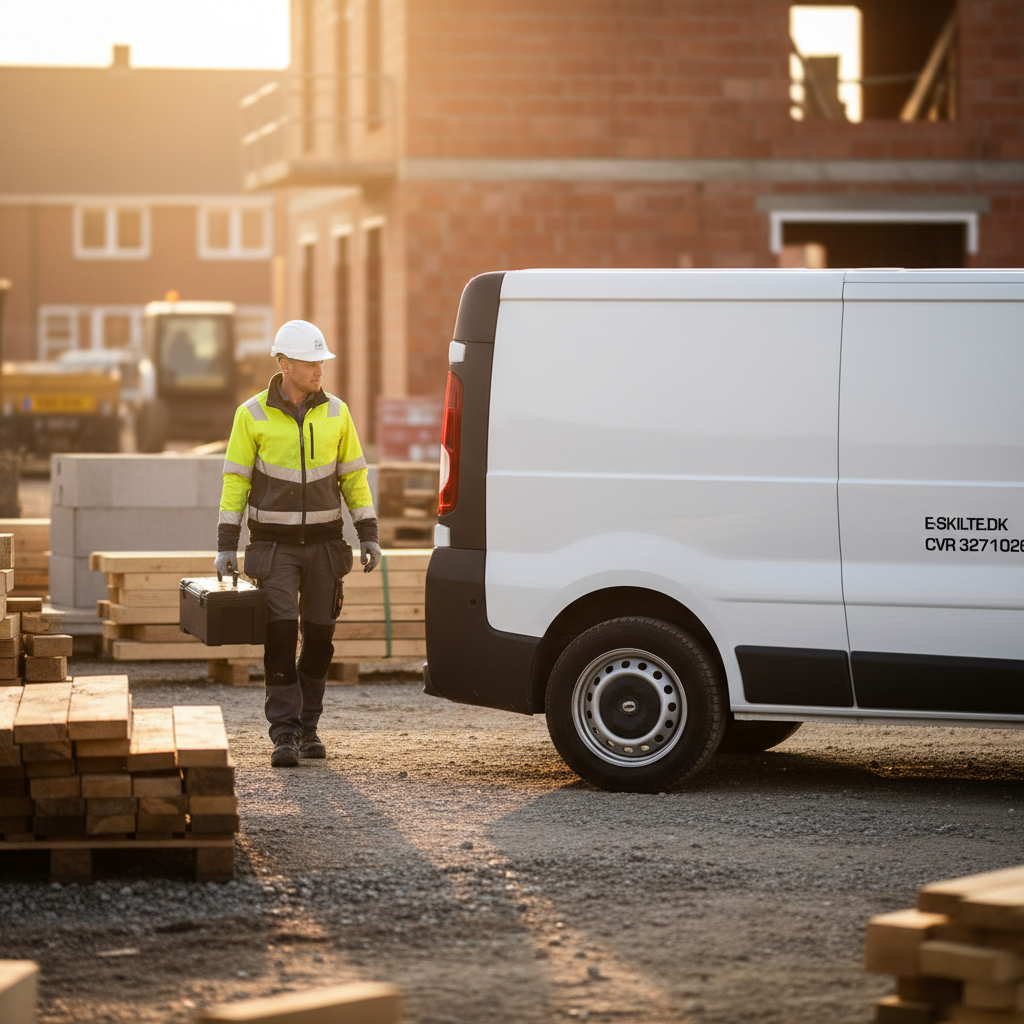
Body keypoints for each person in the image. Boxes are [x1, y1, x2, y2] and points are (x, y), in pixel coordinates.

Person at [214, 320, 381, 767]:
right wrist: (226, 544)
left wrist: (368, 534)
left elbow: (354, 479)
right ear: (285, 364)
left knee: (321, 640)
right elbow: (235, 482)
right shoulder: (250, 415)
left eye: (322, 362)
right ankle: (284, 732)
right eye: (311, 363)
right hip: (274, 548)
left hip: (327, 546)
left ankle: (310, 726)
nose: (319, 370)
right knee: (281, 636)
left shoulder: (337, 413)